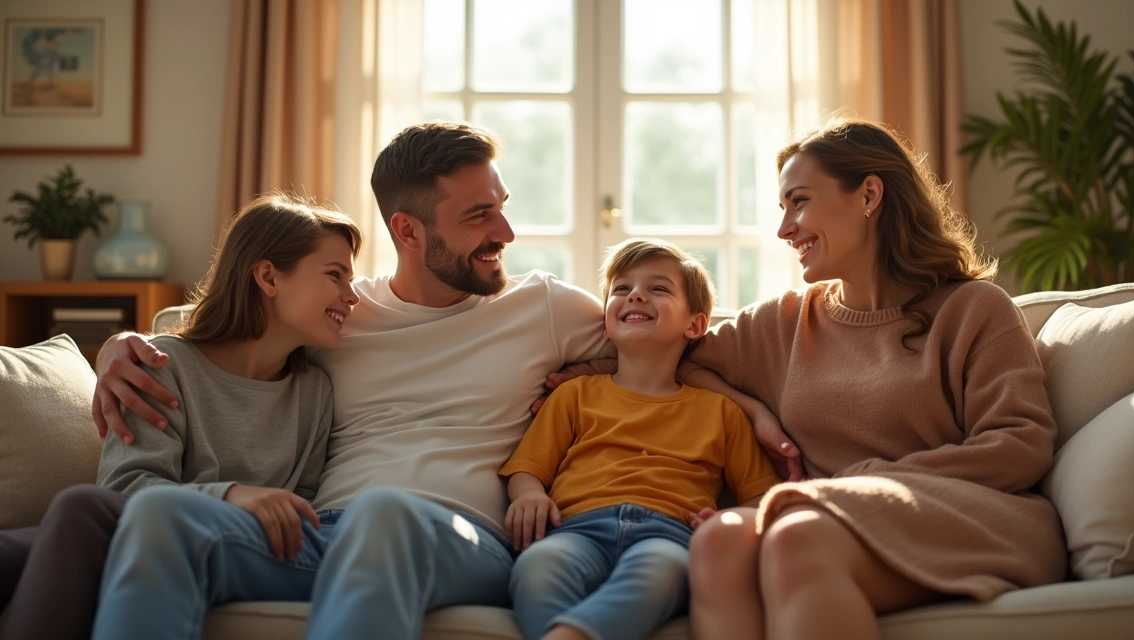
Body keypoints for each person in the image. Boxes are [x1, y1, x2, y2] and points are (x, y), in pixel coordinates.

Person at [91, 122, 768, 640]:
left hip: (467, 540)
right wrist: (120, 347)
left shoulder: (545, 307)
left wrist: (748, 409)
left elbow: (671, 351)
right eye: (478, 215)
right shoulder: (338, 313)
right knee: (159, 514)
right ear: (408, 230)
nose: (504, 230)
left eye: (501, 207)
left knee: (386, 514)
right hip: (325, 534)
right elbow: (222, 339)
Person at [677, 118, 1069, 639]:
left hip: (969, 515)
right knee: (718, 541)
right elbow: (679, 358)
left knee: (797, 537)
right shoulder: (785, 322)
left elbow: (1021, 444)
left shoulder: (973, 309)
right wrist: (755, 411)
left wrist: (862, 482)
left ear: (868, 194)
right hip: (823, 514)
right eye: (782, 208)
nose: (784, 228)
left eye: (798, 202)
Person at [0, 192, 360, 640]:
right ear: (268, 276)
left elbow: (297, 507)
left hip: (230, 549)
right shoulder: (160, 366)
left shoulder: (314, 392)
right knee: (82, 509)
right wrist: (230, 494)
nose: (352, 296)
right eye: (335, 276)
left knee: (72, 517)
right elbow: (127, 487)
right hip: (145, 532)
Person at [502, 239, 781, 640]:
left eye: (658, 288)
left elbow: (761, 498)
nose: (635, 294)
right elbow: (527, 468)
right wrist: (528, 494)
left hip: (668, 535)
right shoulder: (574, 395)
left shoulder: (722, 412)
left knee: (663, 573)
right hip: (575, 528)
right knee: (535, 567)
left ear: (695, 325)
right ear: (607, 323)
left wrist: (725, 521)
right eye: (621, 288)